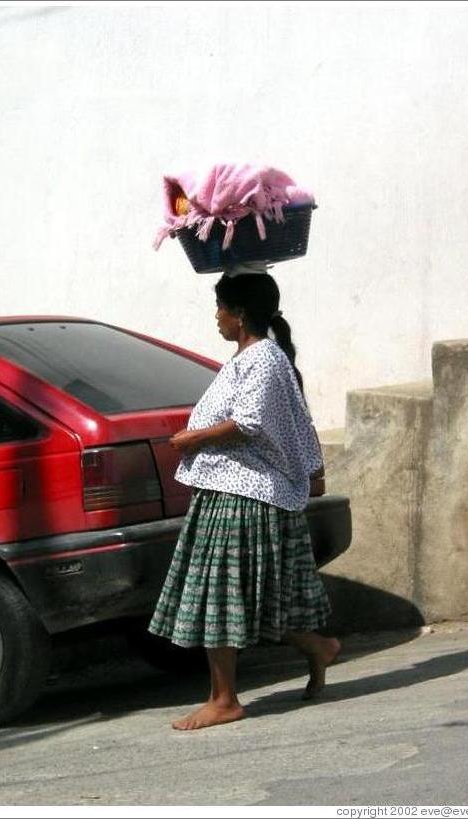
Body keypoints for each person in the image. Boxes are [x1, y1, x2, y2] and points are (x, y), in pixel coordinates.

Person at [148, 261, 340, 730]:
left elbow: (249, 422)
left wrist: (192, 439)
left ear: (239, 314)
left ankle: (225, 699)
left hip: (246, 491)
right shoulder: (253, 359)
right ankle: (318, 647)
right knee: (249, 595)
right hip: (232, 488)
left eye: (220, 307)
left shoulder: (264, 360)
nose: (215, 316)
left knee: (219, 593)